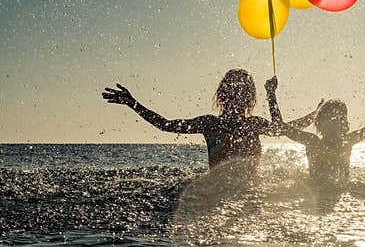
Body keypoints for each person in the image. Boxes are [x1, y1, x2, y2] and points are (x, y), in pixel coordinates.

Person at [101, 68, 317, 174]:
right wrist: (271, 94)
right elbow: (284, 129)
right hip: (247, 192)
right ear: (251, 98)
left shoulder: (211, 124)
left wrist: (132, 103)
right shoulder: (252, 124)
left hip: (215, 190)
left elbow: (165, 124)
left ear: (221, 95)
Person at [265, 76, 365, 186]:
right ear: (321, 122)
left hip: (330, 191)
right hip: (328, 191)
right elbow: (280, 126)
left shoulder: (334, 141)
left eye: (340, 118)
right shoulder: (318, 142)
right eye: (333, 118)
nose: (337, 122)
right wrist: (271, 94)